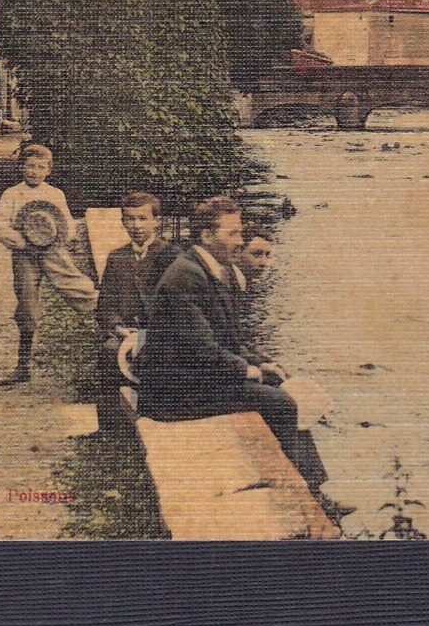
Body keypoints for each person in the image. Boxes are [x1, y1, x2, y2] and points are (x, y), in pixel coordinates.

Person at [139, 197, 327, 493]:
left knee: (282, 387)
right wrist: (249, 371)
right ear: (206, 236)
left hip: (195, 378)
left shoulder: (212, 269)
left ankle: (313, 486)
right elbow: (203, 350)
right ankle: (301, 492)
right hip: (173, 391)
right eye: (233, 234)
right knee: (279, 402)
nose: (240, 242)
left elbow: (228, 338)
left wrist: (260, 363)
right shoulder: (185, 277)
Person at [0, 143, 97, 386]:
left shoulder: (55, 194)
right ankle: (23, 365)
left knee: (77, 286)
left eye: (41, 167)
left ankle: (111, 323)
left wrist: (63, 238)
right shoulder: (11, 194)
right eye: (30, 166)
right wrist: (23, 242)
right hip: (24, 255)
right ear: (22, 167)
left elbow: (68, 223)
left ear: (49, 170)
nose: (34, 172)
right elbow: (1, 227)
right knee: (27, 304)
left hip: (52, 251)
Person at [94, 192, 183, 416]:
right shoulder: (117, 257)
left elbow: (181, 307)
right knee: (109, 350)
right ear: (123, 222)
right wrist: (118, 327)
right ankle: (110, 423)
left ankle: (156, 416)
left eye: (142, 219)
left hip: (160, 332)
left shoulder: (172, 256)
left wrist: (151, 332)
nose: (136, 225)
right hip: (124, 332)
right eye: (130, 219)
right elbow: (105, 304)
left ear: (157, 221)